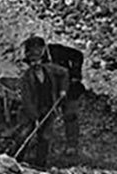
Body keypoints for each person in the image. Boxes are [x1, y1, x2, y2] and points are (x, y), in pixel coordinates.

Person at [14, 36, 70, 167]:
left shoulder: (49, 69)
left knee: (44, 138)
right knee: (24, 135)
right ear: (29, 62)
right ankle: (15, 160)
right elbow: (26, 100)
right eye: (32, 62)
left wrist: (63, 90)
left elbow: (65, 73)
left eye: (37, 60)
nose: (36, 64)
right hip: (31, 112)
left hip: (49, 109)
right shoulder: (26, 77)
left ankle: (40, 166)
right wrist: (35, 118)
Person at [46, 43, 84, 157]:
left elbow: (78, 55)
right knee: (47, 117)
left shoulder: (57, 50)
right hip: (50, 91)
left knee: (70, 116)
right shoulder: (32, 59)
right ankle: (47, 147)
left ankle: (72, 146)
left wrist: (75, 74)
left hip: (70, 88)